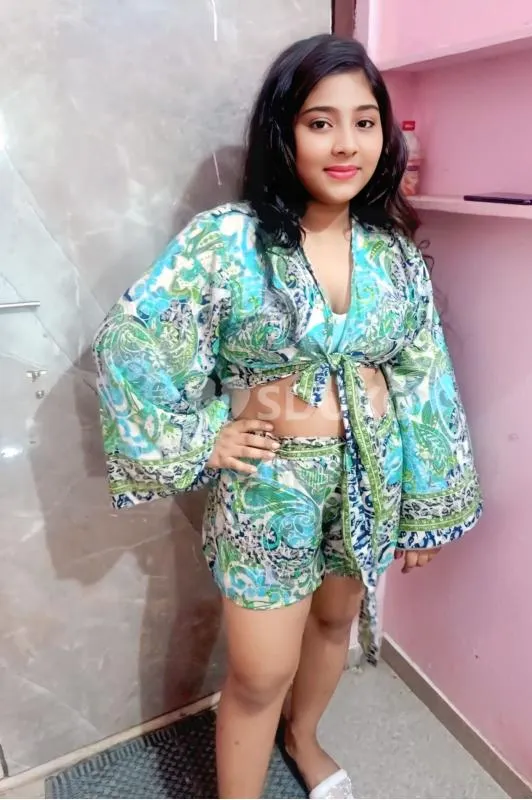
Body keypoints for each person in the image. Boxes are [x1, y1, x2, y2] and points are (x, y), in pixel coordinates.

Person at [93, 33, 483, 800]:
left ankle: (303, 739)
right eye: (320, 122)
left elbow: (425, 378)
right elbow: (131, 341)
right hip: (268, 484)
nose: (346, 144)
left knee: (334, 625)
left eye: (365, 122)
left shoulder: (395, 256)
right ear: (284, 131)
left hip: (369, 475)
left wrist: (428, 508)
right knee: (260, 670)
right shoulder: (227, 241)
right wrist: (204, 434)